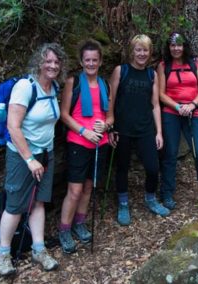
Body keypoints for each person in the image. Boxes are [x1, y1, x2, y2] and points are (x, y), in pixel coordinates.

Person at [0, 43, 67, 276]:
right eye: (48, 61)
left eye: (56, 62)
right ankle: (3, 254)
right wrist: (29, 159)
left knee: (38, 202)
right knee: (15, 205)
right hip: (21, 156)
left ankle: (38, 249)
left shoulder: (54, 88)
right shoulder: (26, 87)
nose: (52, 65)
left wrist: (41, 157)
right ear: (39, 62)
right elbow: (13, 127)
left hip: (46, 154)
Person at [157, 32, 198, 210]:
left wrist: (192, 105)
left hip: (192, 112)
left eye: (179, 45)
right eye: (172, 45)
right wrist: (178, 107)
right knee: (170, 154)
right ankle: (167, 193)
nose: (176, 48)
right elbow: (161, 94)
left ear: (184, 46)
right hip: (171, 113)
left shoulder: (195, 63)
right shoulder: (164, 66)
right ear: (168, 47)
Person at [59, 39, 113, 253]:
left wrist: (106, 124)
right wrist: (84, 130)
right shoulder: (74, 82)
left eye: (95, 60)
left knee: (89, 187)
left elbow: (110, 116)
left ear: (100, 62)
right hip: (78, 142)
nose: (91, 63)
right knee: (75, 189)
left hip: (101, 143)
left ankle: (79, 224)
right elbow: (64, 114)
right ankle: (64, 229)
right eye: (87, 60)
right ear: (81, 61)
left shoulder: (105, 84)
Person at [109, 34, 170, 226]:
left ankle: (150, 198)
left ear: (150, 52)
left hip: (145, 129)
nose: (142, 53)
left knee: (153, 167)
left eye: (145, 50)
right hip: (122, 129)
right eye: (138, 49)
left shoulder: (152, 75)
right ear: (132, 51)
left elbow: (155, 105)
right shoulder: (121, 71)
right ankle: (123, 203)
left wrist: (158, 132)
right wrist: (110, 127)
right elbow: (110, 99)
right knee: (122, 167)